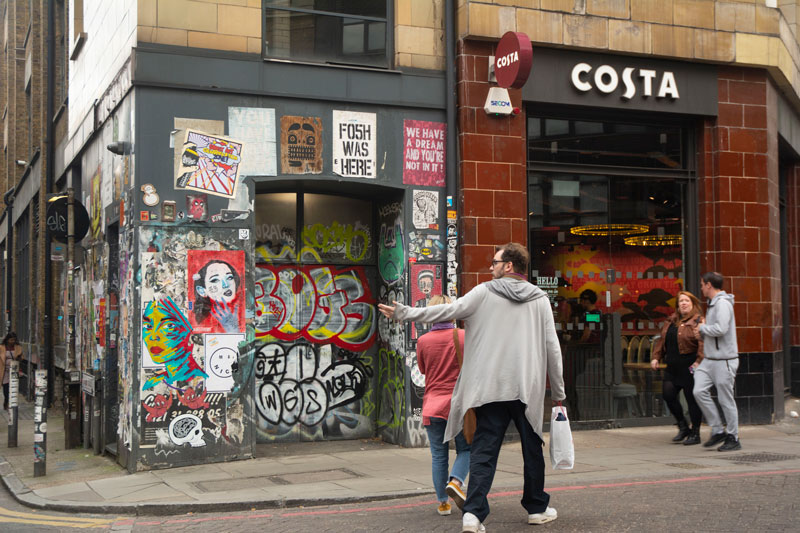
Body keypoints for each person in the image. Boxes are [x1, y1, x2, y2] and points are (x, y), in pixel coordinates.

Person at [379, 243, 565, 532]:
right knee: (532, 450)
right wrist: (560, 395)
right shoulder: (539, 299)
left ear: (509, 267)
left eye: (494, 262)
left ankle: (473, 515)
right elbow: (553, 348)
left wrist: (404, 313)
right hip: (527, 388)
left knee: (484, 450)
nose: (490, 267)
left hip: (491, 387)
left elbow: (446, 310)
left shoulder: (484, 293)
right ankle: (537, 508)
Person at [415, 294, 471, 516]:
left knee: (439, 455)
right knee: (467, 449)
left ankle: (443, 503)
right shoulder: (464, 337)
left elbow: (422, 370)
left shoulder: (423, 341)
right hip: (459, 405)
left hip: (432, 405)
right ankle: (456, 482)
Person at [692, 272, 741, 451]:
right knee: (698, 391)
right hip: (710, 359)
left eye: (702, 284)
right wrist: (703, 332)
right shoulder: (712, 304)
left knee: (725, 399)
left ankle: (733, 437)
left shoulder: (722, 304)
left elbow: (721, 328)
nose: (702, 288)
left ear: (709, 285)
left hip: (725, 360)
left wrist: (703, 329)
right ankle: (718, 430)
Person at [650, 291, 705, 445]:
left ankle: (695, 433)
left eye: (687, 300)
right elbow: (661, 340)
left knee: (691, 399)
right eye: (681, 301)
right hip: (672, 365)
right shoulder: (671, 321)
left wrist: (699, 361)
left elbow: (702, 343)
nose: (683, 303)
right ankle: (683, 426)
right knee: (668, 395)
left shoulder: (698, 320)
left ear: (692, 303)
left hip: (690, 365)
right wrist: (656, 357)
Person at [143, 296, 206, 390]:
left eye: (168, 326)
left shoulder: (200, 379)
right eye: (148, 326)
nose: (153, 336)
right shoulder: (154, 382)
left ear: (188, 332)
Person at [193, 259, 242, 333]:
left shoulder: (243, 310)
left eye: (229, 278)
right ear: (202, 291)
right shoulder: (205, 322)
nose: (225, 285)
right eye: (215, 280)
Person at [0, 332, 24, 410]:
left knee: (13, 386)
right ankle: (6, 401)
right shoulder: (2, 347)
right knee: (6, 387)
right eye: (11, 340)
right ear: (7, 340)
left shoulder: (17, 347)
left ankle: (11, 403)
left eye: (14, 340)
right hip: (4, 370)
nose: (12, 341)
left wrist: (19, 358)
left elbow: (22, 357)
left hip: (14, 369)